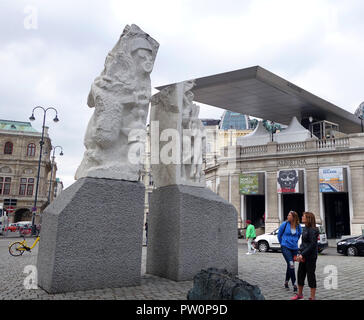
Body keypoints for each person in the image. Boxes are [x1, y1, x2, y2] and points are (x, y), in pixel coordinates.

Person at [291, 212, 319, 300]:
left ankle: (312, 297)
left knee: (311, 275)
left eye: (303, 216)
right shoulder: (305, 228)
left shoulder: (313, 230)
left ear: (309, 218)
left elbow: (312, 245)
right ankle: (299, 294)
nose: (302, 217)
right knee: (300, 274)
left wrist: (302, 254)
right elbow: (303, 243)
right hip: (303, 256)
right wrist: (299, 252)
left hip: (310, 257)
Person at [278, 211, 302, 292]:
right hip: (285, 247)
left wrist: (294, 242)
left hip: (294, 248)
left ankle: (286, 282)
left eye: (289, 215)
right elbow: (279, 235)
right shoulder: (284, 224)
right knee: (291, 264)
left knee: (290, 265)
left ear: (294, 217)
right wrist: (282, 243)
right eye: (288, 215)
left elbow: (298, 235)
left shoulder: (298, 226)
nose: (288, 216)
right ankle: (294, 284)